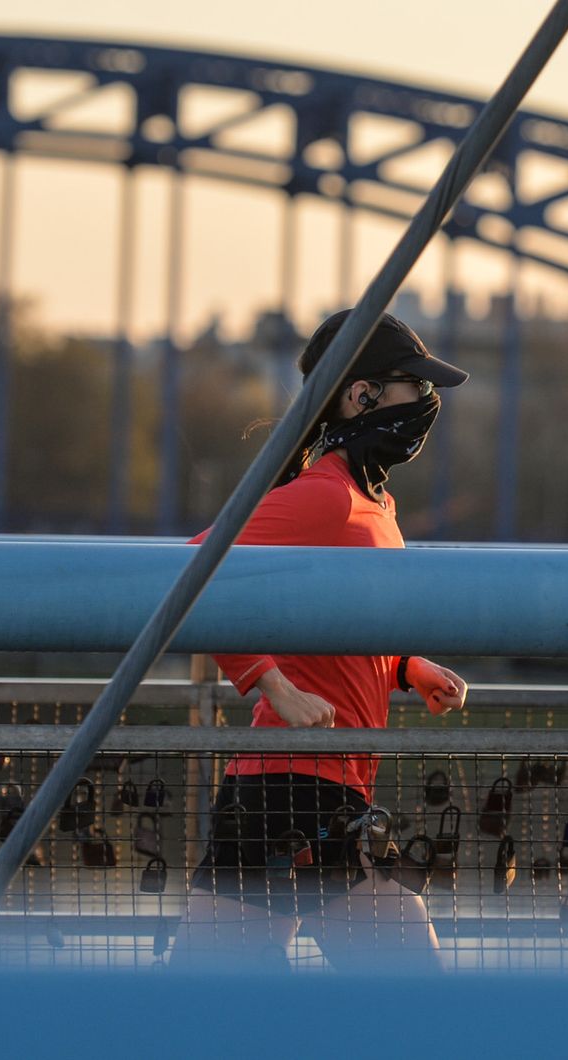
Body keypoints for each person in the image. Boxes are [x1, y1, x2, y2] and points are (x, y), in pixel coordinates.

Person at [170, 309, 470, 972]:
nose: (426, 403)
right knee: (408, 977)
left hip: (331, 783)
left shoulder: (378, 507)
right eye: (411, 387)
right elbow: (187, 572)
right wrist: (273, 684)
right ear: (359, 395)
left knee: (213, 996)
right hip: (290, 783)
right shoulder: (324, 498)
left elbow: (343, 627)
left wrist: (404, 668)